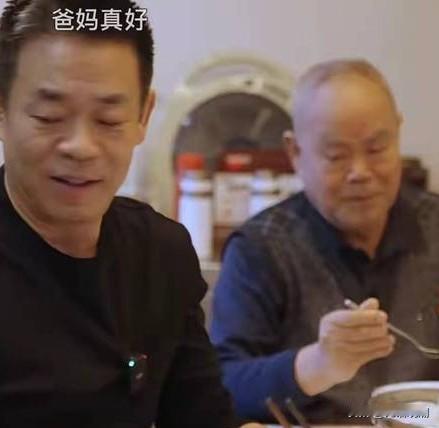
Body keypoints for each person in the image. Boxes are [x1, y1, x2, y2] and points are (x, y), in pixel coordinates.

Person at [0, 1, 265, 427]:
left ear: (143, 115)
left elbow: (203, 416)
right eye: (49, 116)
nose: (81, 147)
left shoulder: (161, 253)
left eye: (108, 120)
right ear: (2, 109)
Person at [210, 58, 439, 424]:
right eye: (336, 156)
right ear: (295, 153)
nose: (360, 172)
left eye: (377, 149)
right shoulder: (261, 248)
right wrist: (317, 363)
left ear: (397, 135)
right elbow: (218, 388)